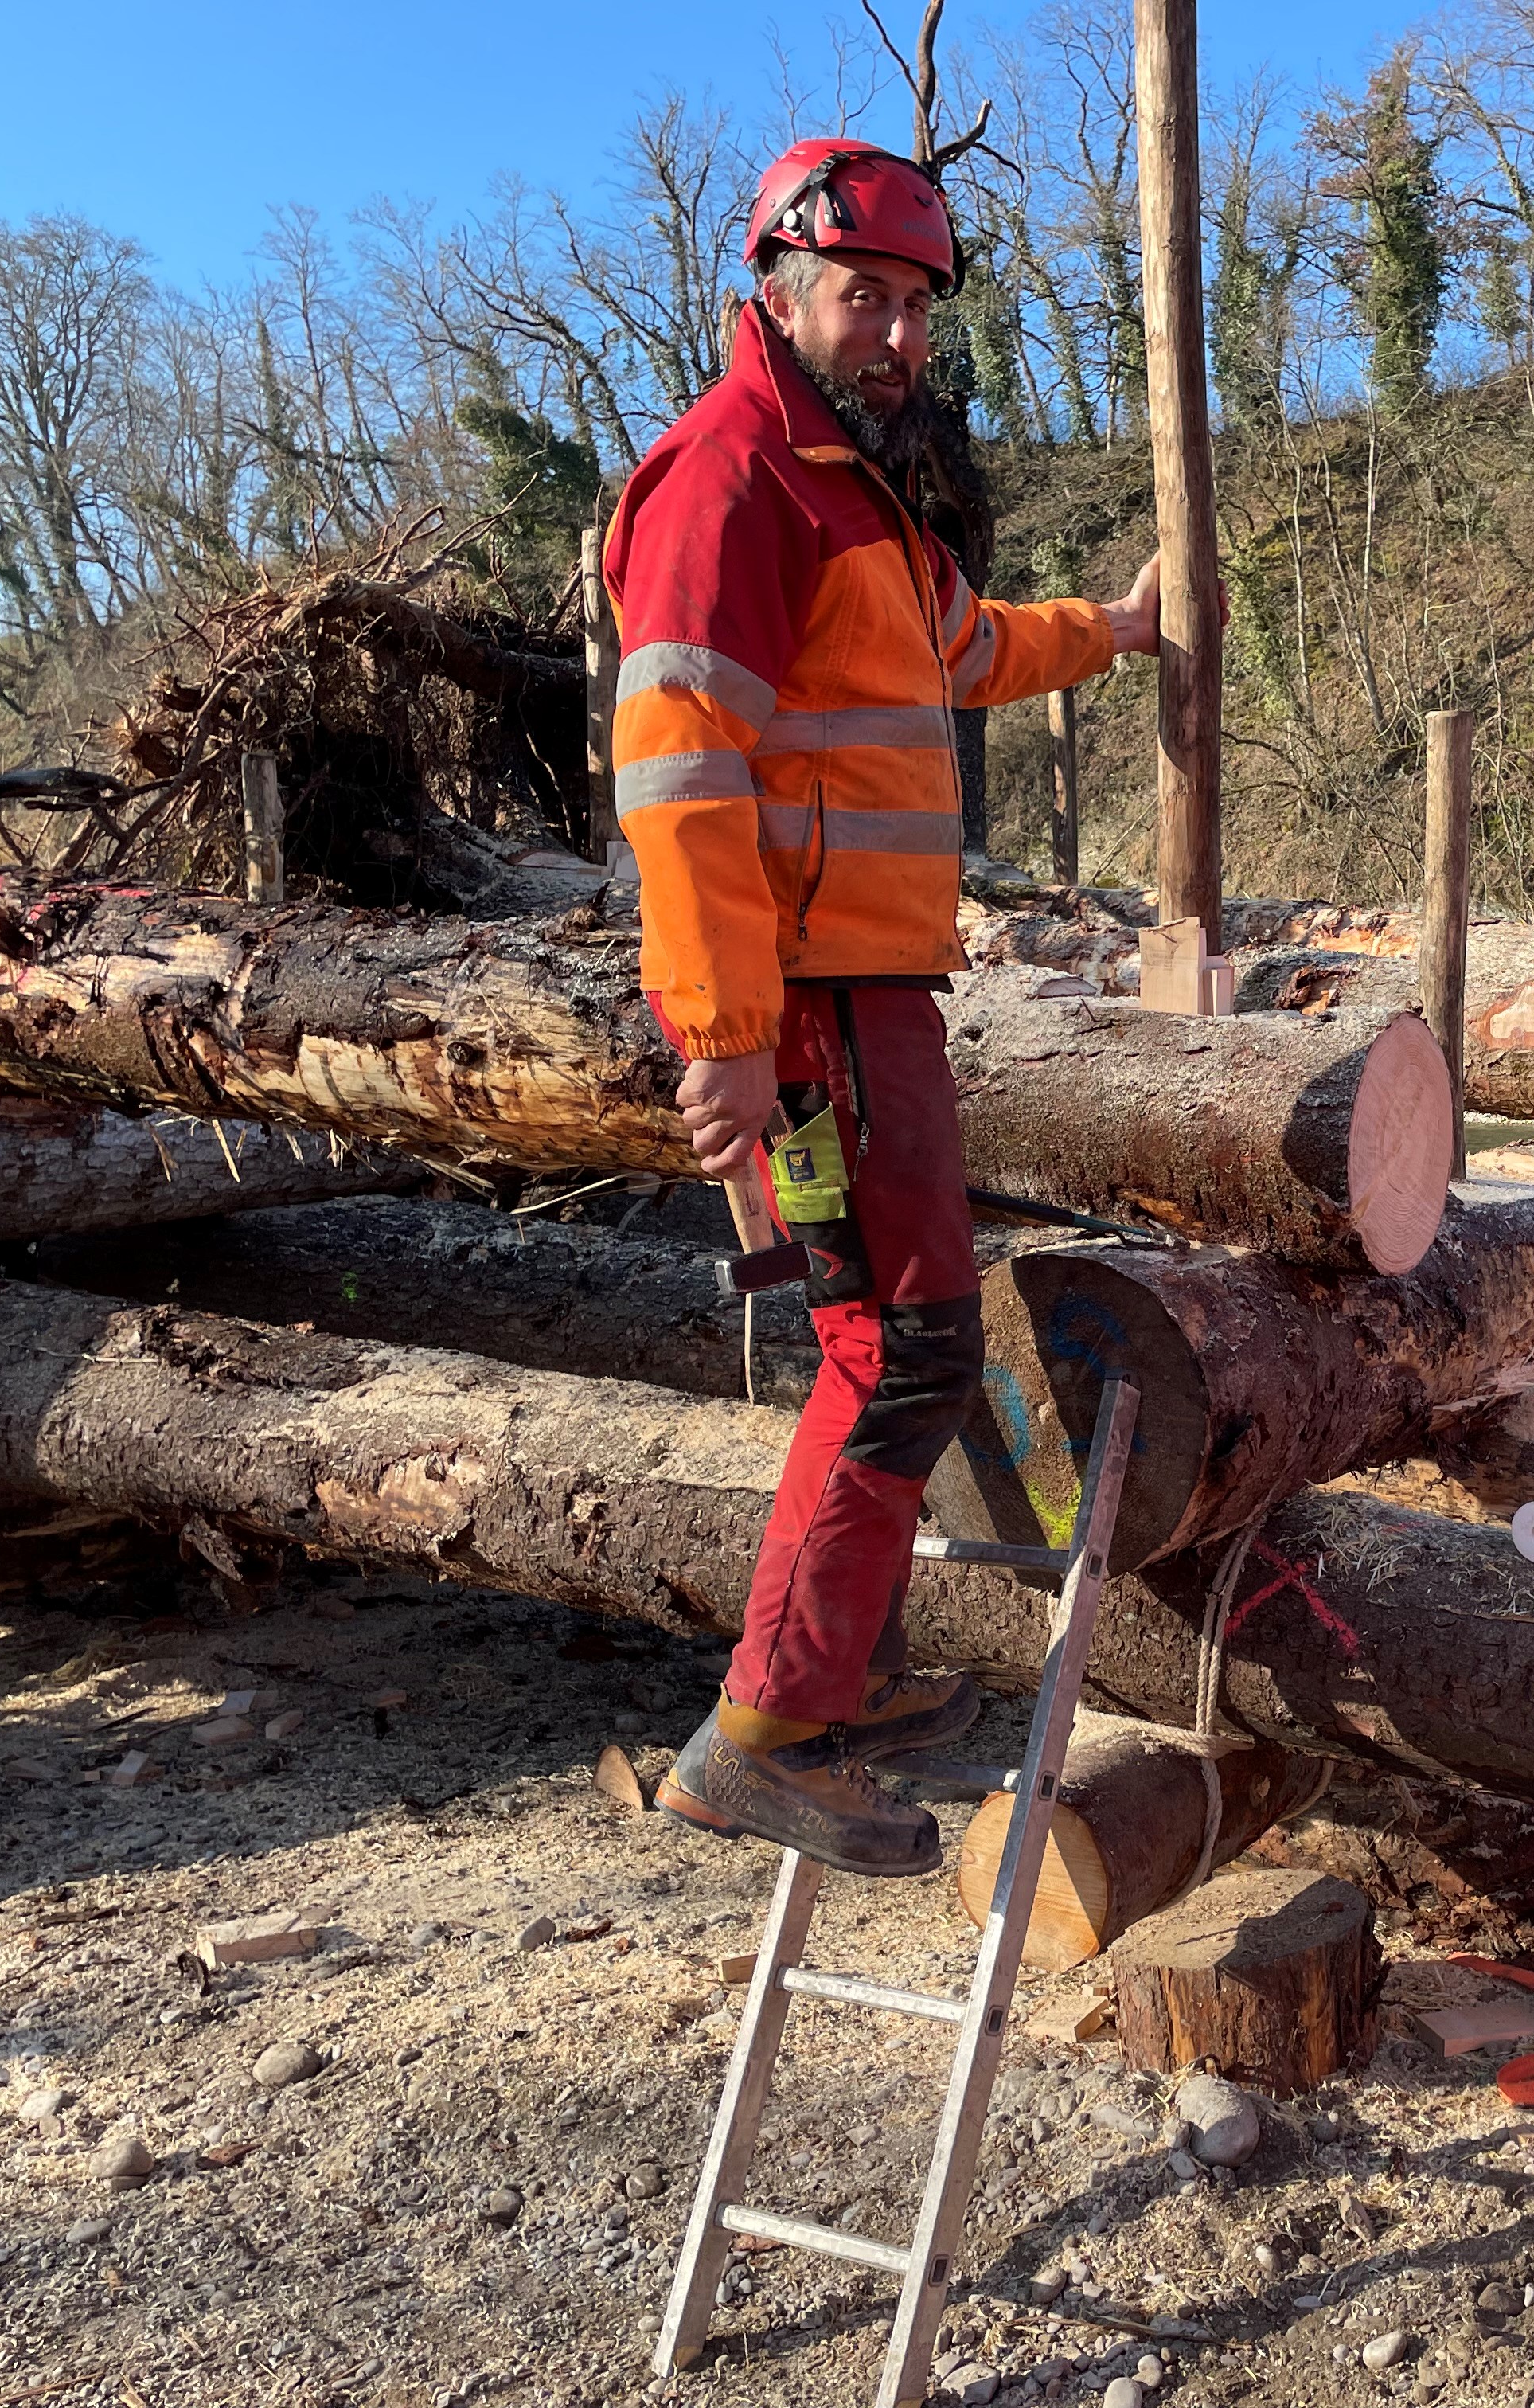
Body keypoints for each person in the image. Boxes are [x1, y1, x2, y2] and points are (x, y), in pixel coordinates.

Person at [602, 138, 1167, 1876]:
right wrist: (723, 1038)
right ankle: (765, 1732)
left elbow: (972, 650)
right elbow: (679, 777)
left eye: (919, 306)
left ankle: (832, 1678)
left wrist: (1120, 629)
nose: (901, 335)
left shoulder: (856, 492)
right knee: (899, 1349)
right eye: (866, 297)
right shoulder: (733, 482)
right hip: (809, 1011)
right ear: (775, 294)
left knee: (891, 1342)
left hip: (869, 995)